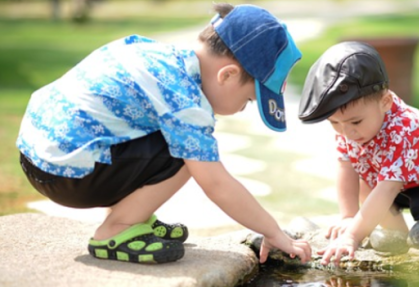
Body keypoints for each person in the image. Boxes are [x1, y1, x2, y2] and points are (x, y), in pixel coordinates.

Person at [16, 3, 311, 265]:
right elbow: (216, 184)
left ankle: (134, 217)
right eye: (248, 101)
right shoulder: (184, 100)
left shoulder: (159, 56)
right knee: (191, 154)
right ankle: (116, 230)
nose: (240, 110)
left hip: (38, 155)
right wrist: (273, 232)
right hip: (66, 175)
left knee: (179, 141)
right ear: (228, 75)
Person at [298, 41, 419, 265]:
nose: (346, 132)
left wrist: (351, 236)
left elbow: (388, 189)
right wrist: (349, 216)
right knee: (366, 184)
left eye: (355, 121)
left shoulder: (406, 129)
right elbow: (346, 167)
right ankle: (400, 242)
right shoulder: (350, 127)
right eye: (334, 123)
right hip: (408, 180)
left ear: (385, 102)